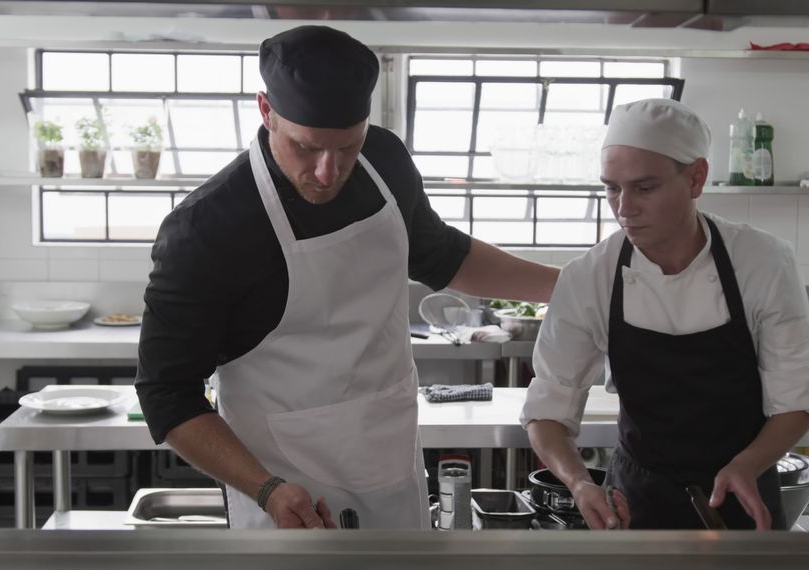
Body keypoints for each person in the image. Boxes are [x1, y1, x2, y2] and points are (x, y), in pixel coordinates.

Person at [136, 25, 559, 530]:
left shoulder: (385, 160)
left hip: (388, 456)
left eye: (347, 147)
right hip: (282, 485)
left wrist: (572, 285)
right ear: (265, 110)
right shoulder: (206, 229)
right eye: (306, 147)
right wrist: (265, 488)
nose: (327, 172)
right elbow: (166, 393)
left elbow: (440, 255)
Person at [521, 98, 809, 531]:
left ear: (696, 177)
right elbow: (547, 409)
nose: (624, 207)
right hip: (634, 501)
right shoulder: (590, 276)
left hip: (743, 491)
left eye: (644, 188)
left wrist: (748, 464)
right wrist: (578, 483)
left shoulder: (761, 262)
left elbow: (799, 397)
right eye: (611, 187)